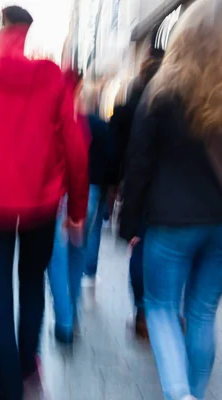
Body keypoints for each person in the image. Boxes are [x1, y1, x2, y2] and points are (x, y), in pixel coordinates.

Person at [0, 6, 88, 400]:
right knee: (31, 285)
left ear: (1, 31)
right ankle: (28, 368)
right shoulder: (51, 79)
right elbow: (75, 149)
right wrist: (77, 210)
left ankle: (8, 388)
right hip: (41, 205)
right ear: (27, 32)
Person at [119, 1, 222, 399]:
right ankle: (194, 391)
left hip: (170, 221)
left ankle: (181, 394)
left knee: (161, 308)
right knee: (202, 313)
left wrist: (130, 226)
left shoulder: (161, 92)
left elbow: (139, 165)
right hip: (218, 223)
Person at [47, 74, 111, 344]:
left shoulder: (58, 121)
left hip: (63, 197)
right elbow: (111, 159)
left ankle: (65, 322)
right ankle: (71, 314)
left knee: (57, 260)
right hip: (91, 194)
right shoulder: (96, 124)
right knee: (77, 255)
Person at [110, 47, 163, 338]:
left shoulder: (131, 106)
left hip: (140, 187)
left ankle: (143, 311)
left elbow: (122, 152)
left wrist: (116, 185)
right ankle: (163, 310)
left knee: (139, 246)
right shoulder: (178, 101)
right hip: (173, 193)